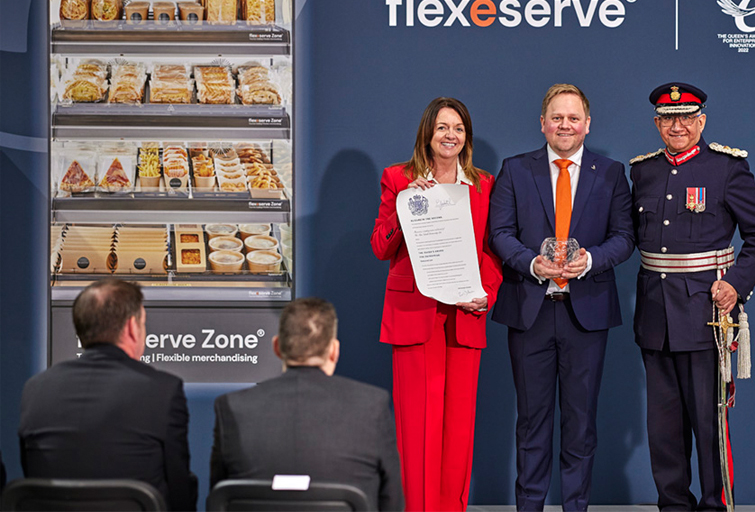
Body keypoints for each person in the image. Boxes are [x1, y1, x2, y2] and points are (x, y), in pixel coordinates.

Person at [630, 82, 755, 512]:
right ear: (657, 124)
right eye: (668, 118)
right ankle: (673, 506)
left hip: (706, 314)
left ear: (702, 121)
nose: (678, 126)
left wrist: (736, 283)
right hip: (655, 314)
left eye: (687, 117)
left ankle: (715, 506)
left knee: (709, 426)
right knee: (663, 428)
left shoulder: (727, 169)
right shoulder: (643, 171)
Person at [489, 83, 634, 512]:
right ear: (543, 124)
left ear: (588, 125)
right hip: (530, 312)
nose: (565, 125)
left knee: (581, 424)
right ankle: (529, 507)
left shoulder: (610, 173)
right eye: (557, 117)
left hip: (585, 315)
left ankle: (576, 508)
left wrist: (590, 261)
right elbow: (499, 234)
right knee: (531, 424)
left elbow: (625, 238)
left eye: (573, 118)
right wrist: (531, 264)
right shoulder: (515, 169)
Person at [371, 96, 503, 512]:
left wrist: (487, 293)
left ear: (467, 137)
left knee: (458, 430)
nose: (451, 136)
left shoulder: (483, 185)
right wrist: (405, 205)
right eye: (443, 127)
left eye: (459, 128)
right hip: (415, 313)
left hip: (464, 314)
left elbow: (491, 252)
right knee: (416, 427)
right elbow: (380, 247)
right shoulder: (398, 177)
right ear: (427, 133)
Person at [210, 297, 403, 512]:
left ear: (277, 347)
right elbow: (392, 502)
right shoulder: (372, 405)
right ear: (334, 350)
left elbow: (218, 501)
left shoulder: (232, 406)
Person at [18, 279, 196, 511]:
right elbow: (179, 491)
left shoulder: (35, 388)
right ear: (132, 327)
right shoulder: (163, 390)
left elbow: (32, 477)